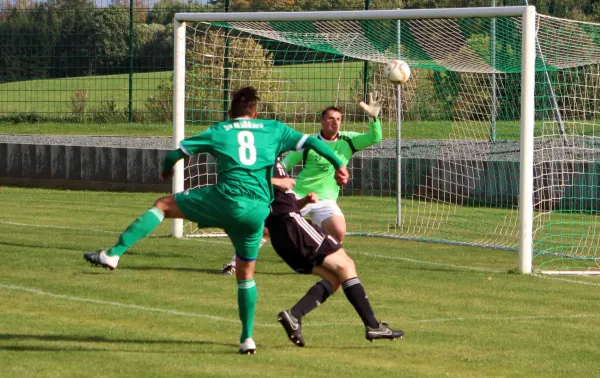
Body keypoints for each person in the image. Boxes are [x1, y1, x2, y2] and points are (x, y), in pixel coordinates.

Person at [83, 86, 349, 355]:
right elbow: (314, 143)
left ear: (230, 112)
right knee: (245, 276)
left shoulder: (220, 130)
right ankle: (247, 339)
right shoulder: (273, 128)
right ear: (255, 113)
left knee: (163, 206)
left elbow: (175, 154)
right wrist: (339, 164)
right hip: (257, 211)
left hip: (224, 200)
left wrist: (165, 170)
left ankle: (114, 254)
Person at [219, 93, 383, 275]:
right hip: (300, 195)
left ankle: (323, 263)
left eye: (338, 119)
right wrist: (275, 181)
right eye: (330, 118)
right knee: (266, 229)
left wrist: (373, 117)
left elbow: (374, 137)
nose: (335, 122)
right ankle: (234, 264)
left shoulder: (348, 140)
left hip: (326, 199)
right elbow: (284, 164)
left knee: (338, 231)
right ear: (322, 121)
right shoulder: (310, 144)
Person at [268, 158, 404, 346]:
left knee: (336, 278)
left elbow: (280, 204)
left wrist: (303, 201)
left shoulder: (271, 157)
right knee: (346, 265)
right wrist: (277, 182)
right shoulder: (260, 154)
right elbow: (244, 179)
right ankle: (373, 326)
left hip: (287, 229)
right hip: (292, 226)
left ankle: (294, 316)